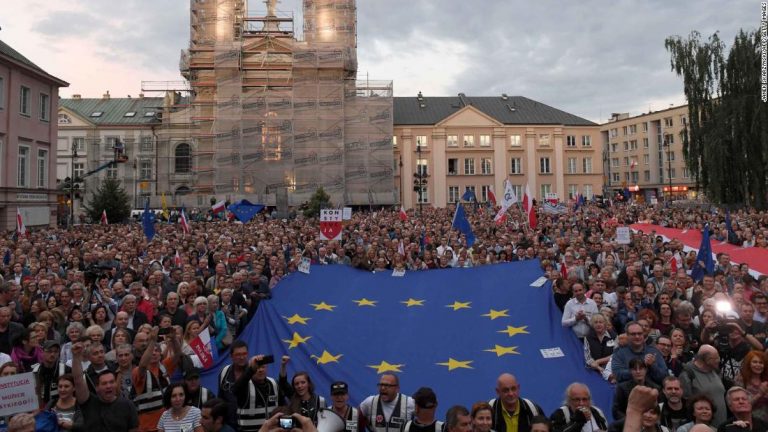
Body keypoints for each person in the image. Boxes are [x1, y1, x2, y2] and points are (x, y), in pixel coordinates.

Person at [70, 339, 139, 432]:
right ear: (97, 387)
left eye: (111, 382)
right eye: (104, 383)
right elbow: (78, 380)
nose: (108, 386)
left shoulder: (127, 405)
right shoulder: (89, 403)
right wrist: (76, 356)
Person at [132, 326, 180, 432]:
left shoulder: (165, 366)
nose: (154, 353)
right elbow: (143, 366)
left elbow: (177, 355)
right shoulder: (137, 371)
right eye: (151, 351)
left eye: (156, 351)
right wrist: (153, 341)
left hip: (168, 425)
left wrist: (173, 339)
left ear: (160, 354)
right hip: (148, 427)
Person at [232, 354, 289, 431]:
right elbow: (235, 389)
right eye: (257, 367)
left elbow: (283, 407)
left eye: (263, 367)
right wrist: (251, 369)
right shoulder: (244, 385)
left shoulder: (274, 383)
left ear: (267, 368)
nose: (260, 370)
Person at [679, 345, 727, 427]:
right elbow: (686, 402)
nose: (718, 360)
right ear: (706, 360)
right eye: (715, 358)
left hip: (721, 425)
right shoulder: (688, 373)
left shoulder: (715, 370)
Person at [611, 321, 668, 386]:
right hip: (627, 392)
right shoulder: (619, 352)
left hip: (652, 391)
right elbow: (617, 375)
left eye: (639, 333)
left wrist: (652, 366)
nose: (637, 336)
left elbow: (664, 377)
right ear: (627, 335)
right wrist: (640, 368)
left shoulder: (654, 351)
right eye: (633, 334)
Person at [218, 340, 250, 428]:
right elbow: (221, 398)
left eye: (244, 354)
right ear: (231, 356)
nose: (242, 357)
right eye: (238, 354)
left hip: (249, 424)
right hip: (229, 423)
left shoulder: (254, 373)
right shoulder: (224, 372)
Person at [32, 339, 71, 405]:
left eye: (56, 351)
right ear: (42, 352)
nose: (52, 354)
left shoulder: (66, 370)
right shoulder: (35, 370)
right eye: (49, 351)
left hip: (60, 405)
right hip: (40, 407)